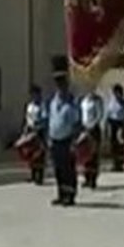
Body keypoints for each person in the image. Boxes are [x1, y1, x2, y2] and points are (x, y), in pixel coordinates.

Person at [47, 72, 80, 206]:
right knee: (58, 169)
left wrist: (73, 142)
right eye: (58, 85)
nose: (60, 88)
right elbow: (51, 121)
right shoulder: (53, 102)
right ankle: (61, 194)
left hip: (67, 140)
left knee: (68, 169)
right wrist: (49, 138)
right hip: (55, 140)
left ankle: (70, 195)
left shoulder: (71, 104)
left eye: (62, 85)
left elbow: (76, 124)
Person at [19, 84, 48, 185]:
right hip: (30, 130)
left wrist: (39, 126)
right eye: (33, 94)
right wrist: (25, 130)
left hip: (39, 131)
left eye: (36, 94)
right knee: (30, 154)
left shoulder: (42, 106)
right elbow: (27, 118)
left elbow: (44, 118)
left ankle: (39, 177)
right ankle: (32, 174)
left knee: (39, 155)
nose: (34, 96)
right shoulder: (30, 106)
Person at [79, 87, 105, 189]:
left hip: (94, 130)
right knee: (85, 155)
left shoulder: (97, 101)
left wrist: (92, 126)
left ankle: (93, 179)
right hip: (84, 128)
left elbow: (99, 115)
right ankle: (86, 178)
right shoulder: (83, 101)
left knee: (93, 155)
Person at [105, 83, 124, 171]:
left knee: (120, 144)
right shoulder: (111, 102)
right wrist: (106, 126)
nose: (117, 94)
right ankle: (114, 163)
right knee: (113, 144)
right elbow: (108, 114)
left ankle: (120, 164)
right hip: (113, 124)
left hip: (120, 123)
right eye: (115, 92)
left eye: (118, 92)